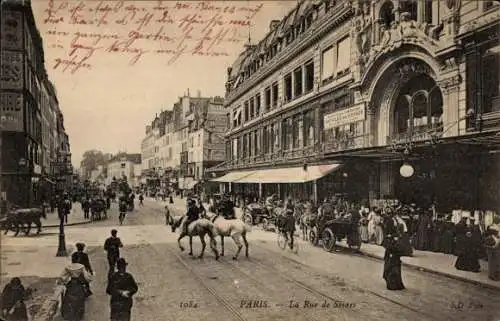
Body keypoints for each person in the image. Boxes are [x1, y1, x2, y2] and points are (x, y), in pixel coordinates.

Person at [60, 255, 93, 320]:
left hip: (71, 284)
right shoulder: (81, 266)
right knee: (79, 299)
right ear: (78, 259)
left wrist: (65, 282)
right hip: (78, 284)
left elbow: (62, 277)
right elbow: (87, 277)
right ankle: (78, 315)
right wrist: (89, 279)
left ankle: (70, 315)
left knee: (69, 299)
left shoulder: (68, 267)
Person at [382, 212, 405, 291]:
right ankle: (396, 283)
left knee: (390, 266)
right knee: (394, 266)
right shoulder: (397, 221)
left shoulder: (391, 221)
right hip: (394, 247)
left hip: (392, 247)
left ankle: (392, 284)